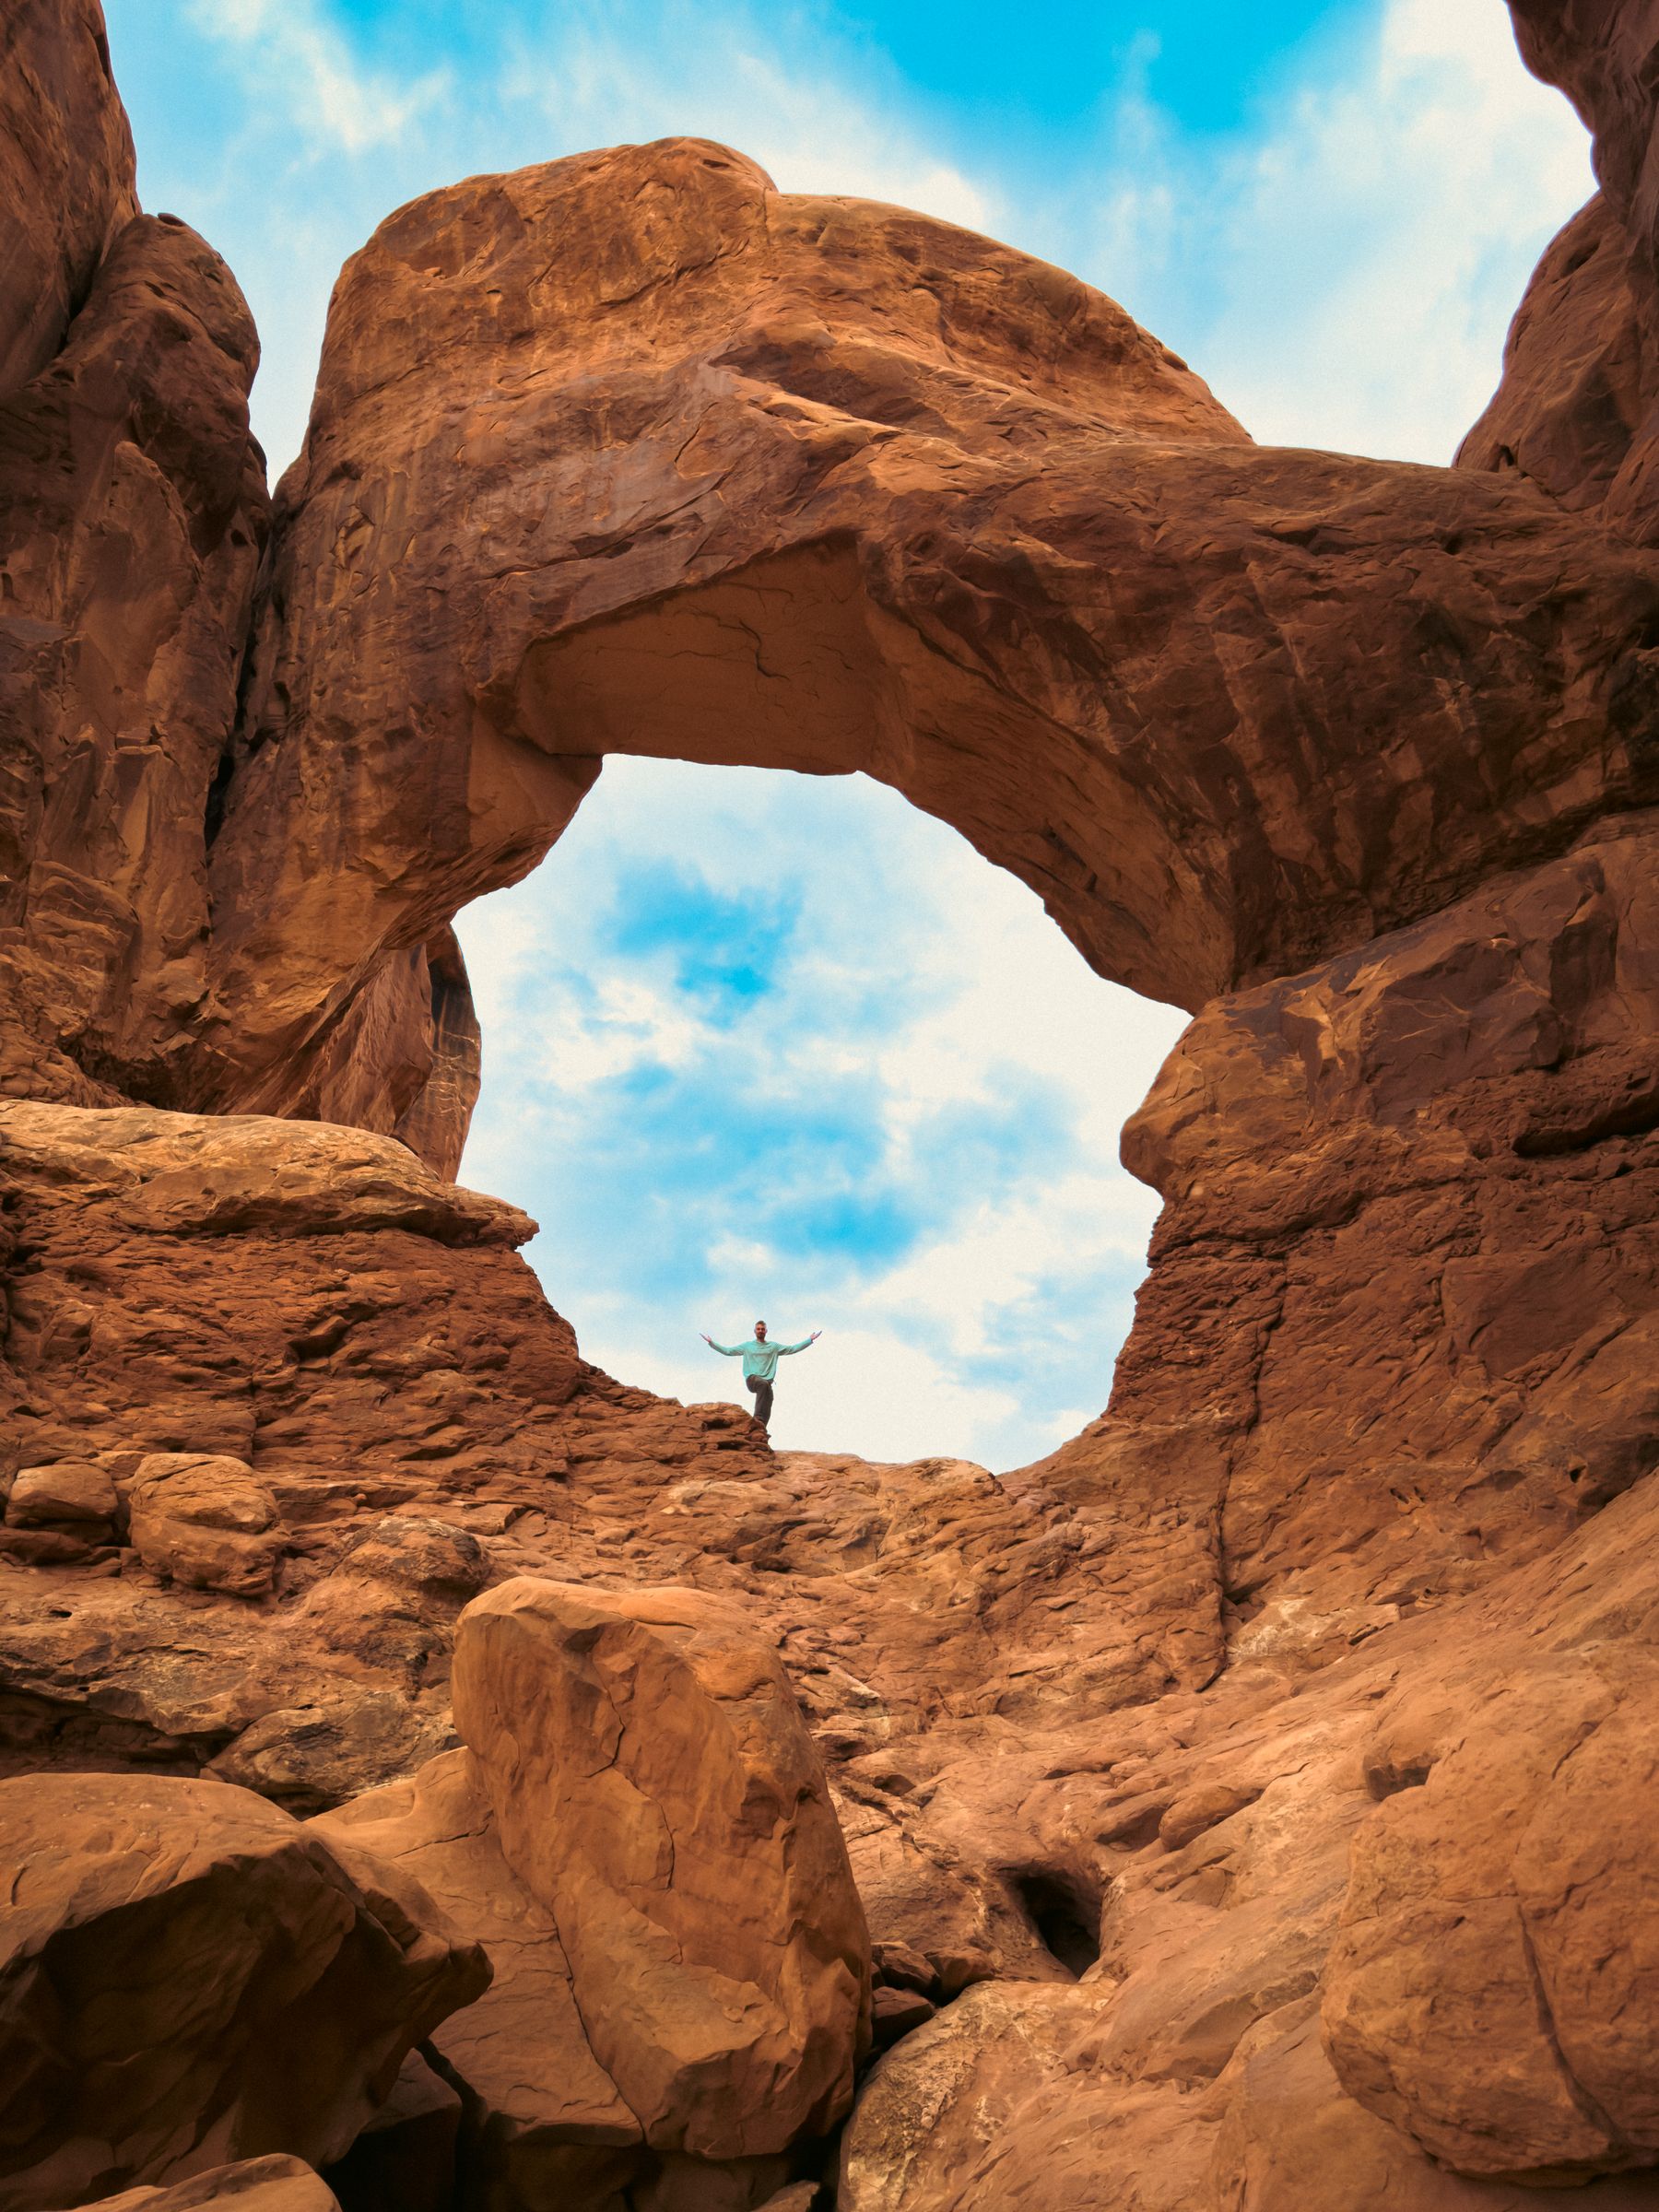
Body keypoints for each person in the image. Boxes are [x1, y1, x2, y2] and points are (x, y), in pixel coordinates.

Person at [700, 1319, 820, 1431]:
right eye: (758, 1329)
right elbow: (728, 1351)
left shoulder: (773, 1347)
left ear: (766, 1331)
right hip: (752, 1379)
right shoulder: (747, 1346)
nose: (760, 1331)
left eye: (762, 1329)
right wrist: (712, 1343)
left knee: (769, 1398)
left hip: (767, 1383)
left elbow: (792, 1348)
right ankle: (757, 1418)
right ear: (755, 1331)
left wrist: (809, 1340)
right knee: (763, 1385)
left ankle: (760, 1428)